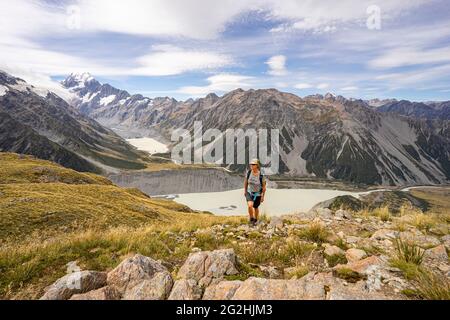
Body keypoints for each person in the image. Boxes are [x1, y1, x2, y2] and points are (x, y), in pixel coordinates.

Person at [244, 159, 266, 226]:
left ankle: (256, 219)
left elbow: (264, 187)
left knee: (255, 207)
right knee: (250, 205)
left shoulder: (261, 175)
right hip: (249, 192)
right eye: (251, 164)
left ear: (257, 165)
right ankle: (251, 219)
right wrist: (245, 191)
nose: (251, 165)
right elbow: (246, 182)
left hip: (257, 194)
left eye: (253, 164)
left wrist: (262, 196)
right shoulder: (249, 173)